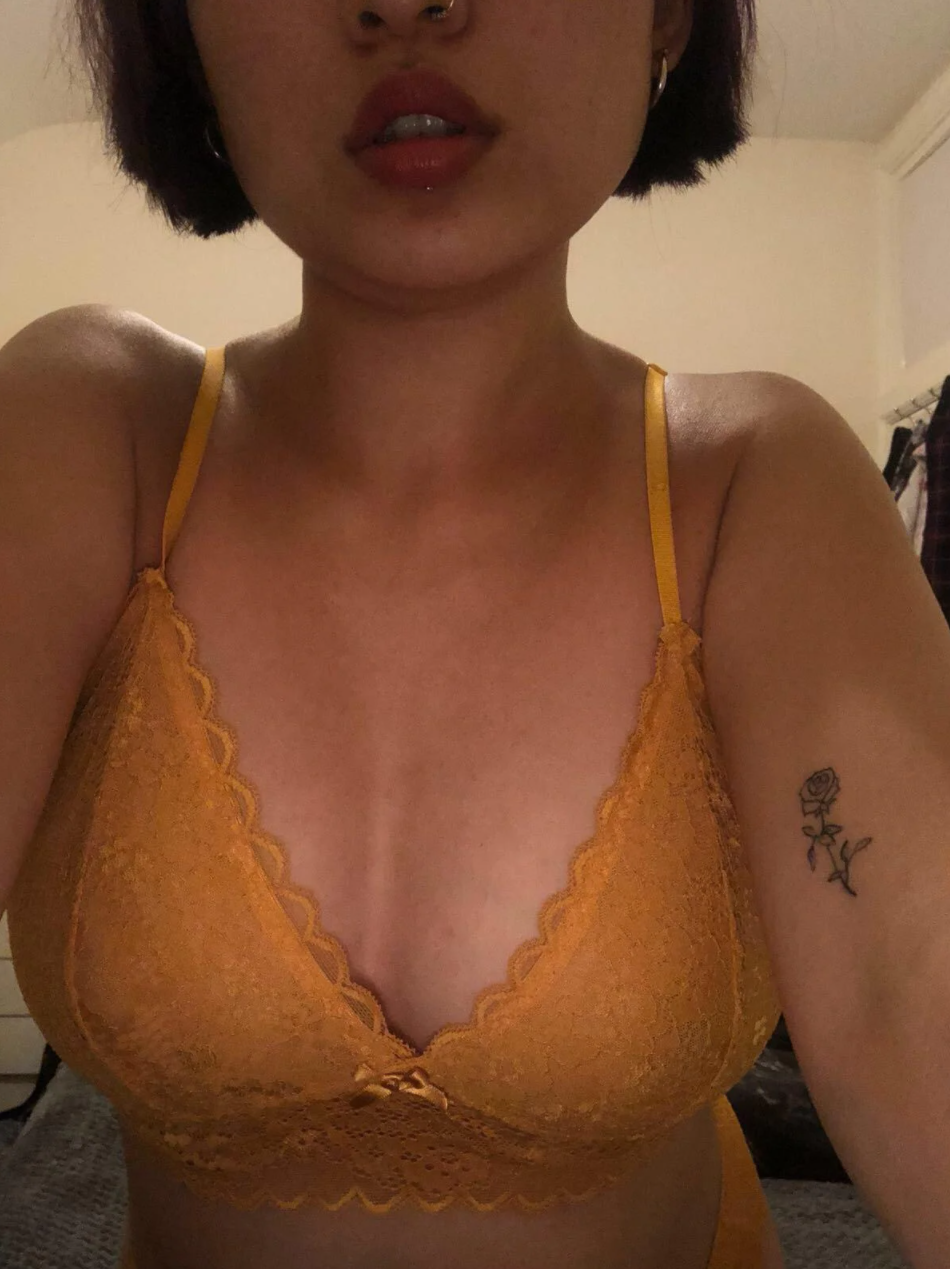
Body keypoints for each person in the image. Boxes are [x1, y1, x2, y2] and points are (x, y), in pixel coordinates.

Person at [3, 2, 948, 1268]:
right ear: (182, 33)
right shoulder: (85, 427)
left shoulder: (760, 483)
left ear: (666, 17)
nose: (406, 2)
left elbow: (909, 993)